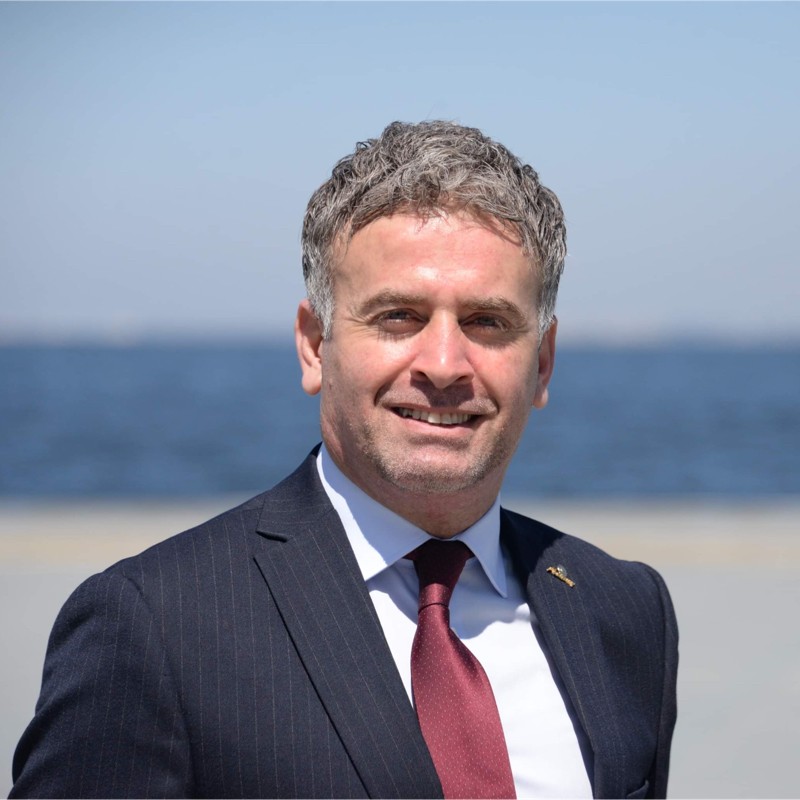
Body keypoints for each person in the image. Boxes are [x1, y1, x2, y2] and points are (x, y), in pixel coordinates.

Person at [10, 121, 678, 799]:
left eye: (487, 322)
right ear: (313, 346)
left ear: (543, 362)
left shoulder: (624, 611)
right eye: (398, 316)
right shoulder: (154, 625)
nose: (444, 364)